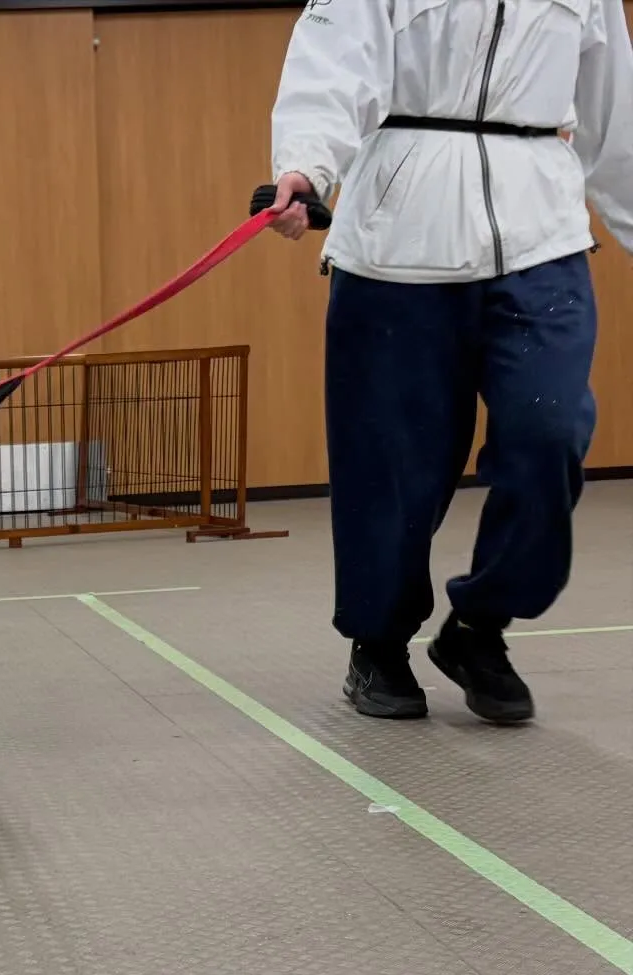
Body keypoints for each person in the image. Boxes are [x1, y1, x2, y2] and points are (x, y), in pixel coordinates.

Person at [268, 0, 633, 723]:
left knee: (549, 432)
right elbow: (332, 62)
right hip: (398, 243)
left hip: (541, 238)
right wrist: (306, 169)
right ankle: (378, 642)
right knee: (394, 470)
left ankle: (479, 627)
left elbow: (614, 117)